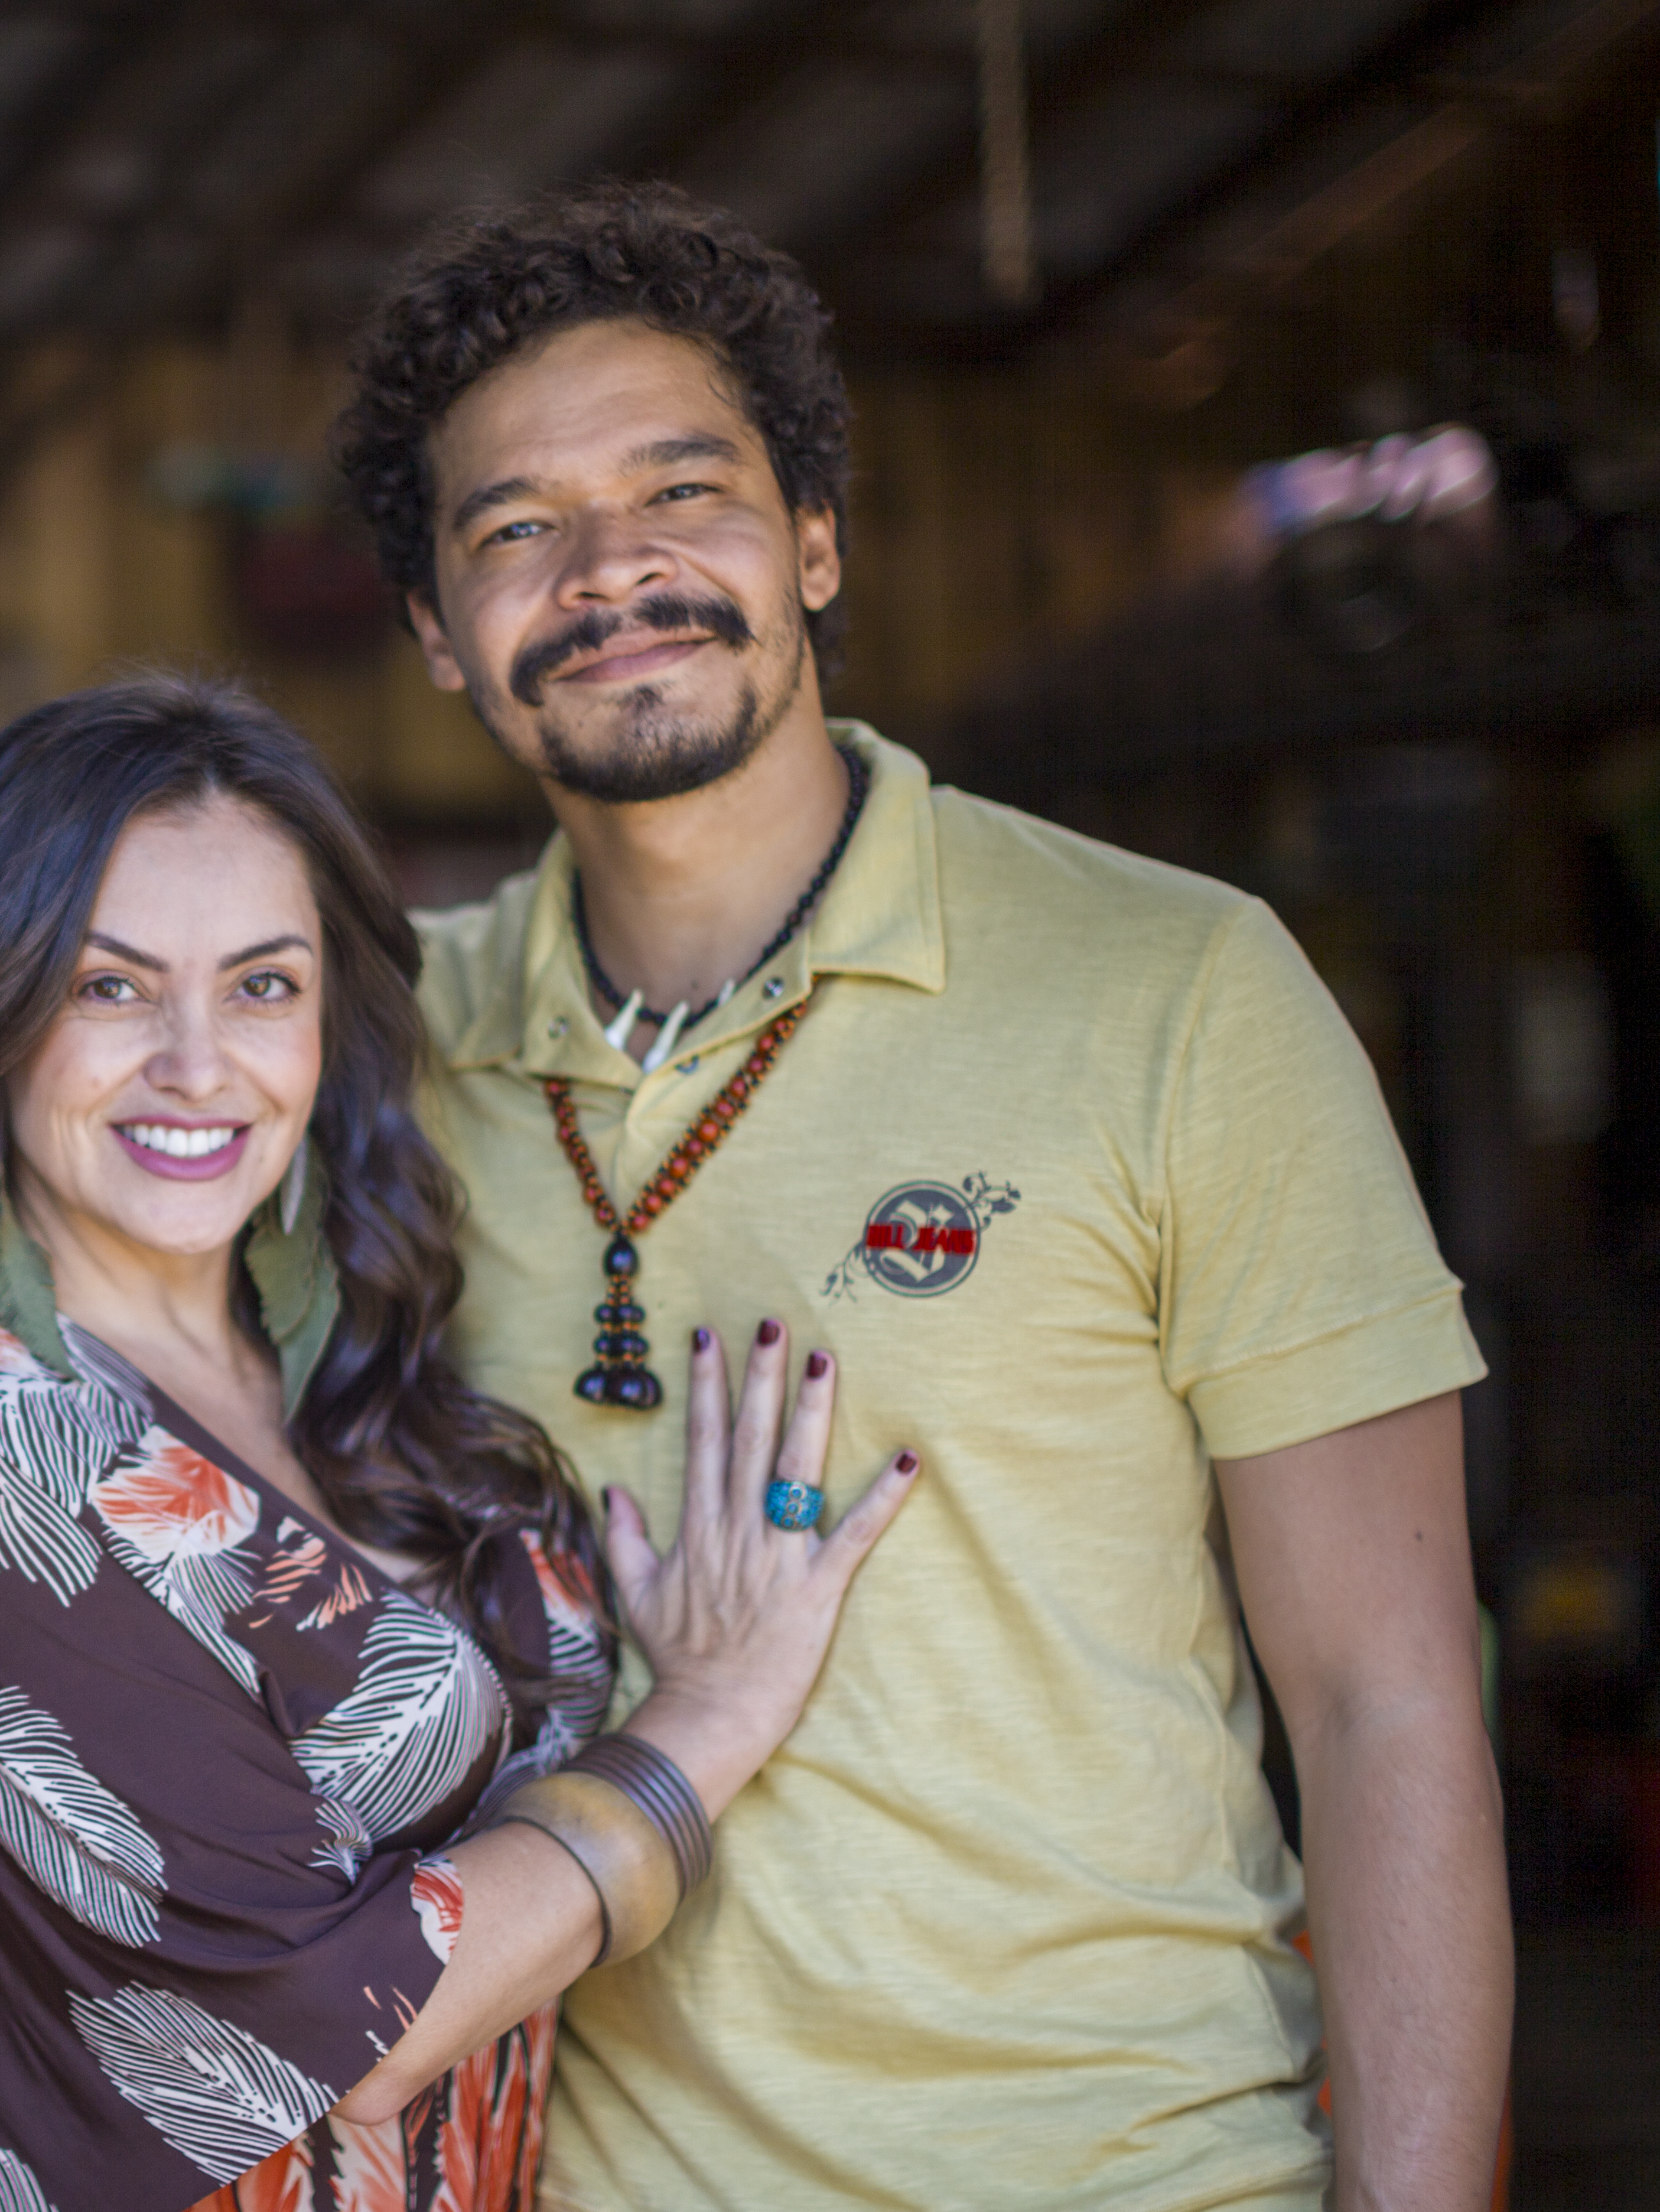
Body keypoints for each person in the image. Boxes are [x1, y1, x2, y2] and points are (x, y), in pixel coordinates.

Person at [333, 181, 1508, 2211]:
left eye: (679, 490)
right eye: (514, 526)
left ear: (811, 538)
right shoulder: (353, 1059)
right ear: (440, 633)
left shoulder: (1173, 986)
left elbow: (1386, 1700)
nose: (608, 568)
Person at [0, 675, 921, 2210]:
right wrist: (706, 1723)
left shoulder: (340, 1352)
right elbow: (347, 2030)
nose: (196, 1061)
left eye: (261, 985)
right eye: (110, 987)